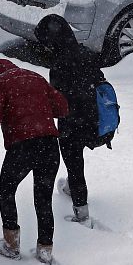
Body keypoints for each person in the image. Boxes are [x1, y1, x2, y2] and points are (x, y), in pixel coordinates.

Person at [0, 59, 68, 265]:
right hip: (49, 145)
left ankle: (11, 245)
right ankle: (45, 249)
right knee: (43, 198)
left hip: (22, 146)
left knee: (7, 191)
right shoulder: (35, 77)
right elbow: (62, 107)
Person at [34, 15, 105, 223]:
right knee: (76, 162)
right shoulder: (86, 54)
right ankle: (68, 188)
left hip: (72, 123)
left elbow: (58, 101)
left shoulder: (58, 65)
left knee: (75, 165)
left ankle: (82, 215)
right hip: (93, 119)